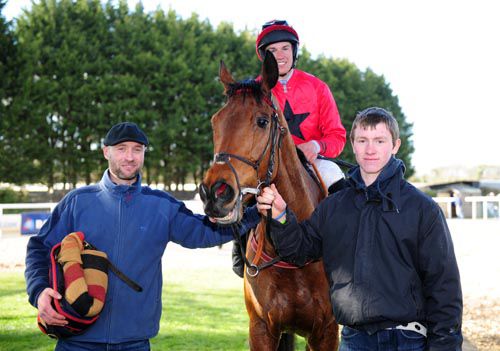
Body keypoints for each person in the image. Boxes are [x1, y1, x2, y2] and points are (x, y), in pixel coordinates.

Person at [24, 122, 261, 351]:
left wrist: (255, 213)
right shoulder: (77, 202)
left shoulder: (162, 205)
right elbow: (39, 247)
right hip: (76, 339)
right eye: (121, 149)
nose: (130, 157)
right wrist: (39, 291)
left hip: (134, 342)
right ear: (106, 152)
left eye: (137, 150)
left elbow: (204, 232)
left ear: (144, 153)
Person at [256, 107, 463, 350]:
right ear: (353, 145)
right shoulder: (333, 207)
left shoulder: (422, 209)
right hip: (354, 341)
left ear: (395, 145)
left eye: (379, 140)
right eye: (362, 140)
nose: (370, 149)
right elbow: (299, 250)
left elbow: (444, 288)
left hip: (407, 341)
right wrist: (281, 216)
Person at [231, 19, 348, 277]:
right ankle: (240, 251)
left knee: (341, 185)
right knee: (241, 193)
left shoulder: (318, 87)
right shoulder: (253, 91)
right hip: (266, 166)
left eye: (285, 48)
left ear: (295, 52)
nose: (280, 55)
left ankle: (347, 255)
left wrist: (317, 145)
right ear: (264, 56)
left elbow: (338, 136)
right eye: (272, 51)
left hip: (313, 163)